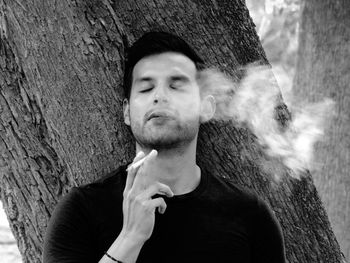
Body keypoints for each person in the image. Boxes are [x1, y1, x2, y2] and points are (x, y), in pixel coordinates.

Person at [43, 31, 286, 263]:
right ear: (127, 111)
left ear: (205, 107)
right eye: (146, 88)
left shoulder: (250, 215)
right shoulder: (81, 210)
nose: (159, 96)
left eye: (176, 85)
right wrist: (130, 238)